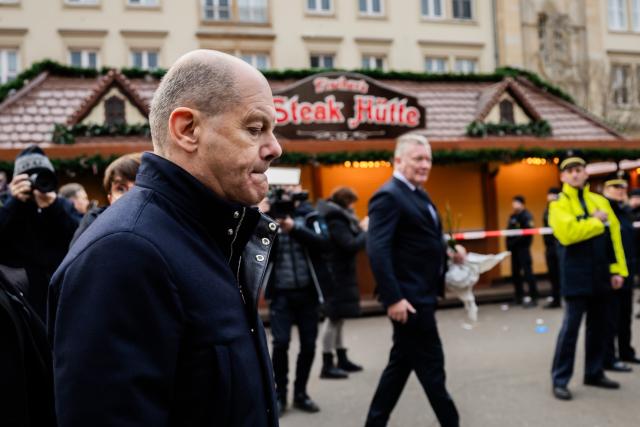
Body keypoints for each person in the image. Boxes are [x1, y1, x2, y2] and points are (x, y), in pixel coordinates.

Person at [48, 49, 283, 426]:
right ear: (187, 129)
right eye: (255, 129)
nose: (275, 148)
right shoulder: (124, 253)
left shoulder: (214, 233)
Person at [364, 133, 460, 427]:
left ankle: (374, 422)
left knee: (400, 365)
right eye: (418, 158)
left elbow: (422, 238)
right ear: (398, 160)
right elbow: (377, 250)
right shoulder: (388, 195)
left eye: (428, 159)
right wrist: (394, 298)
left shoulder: (418, 193)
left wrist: (450, 250)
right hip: (409, 301)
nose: (425, 164)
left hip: (423, 295)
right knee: (433, 369)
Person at [549, 154, 628, 401]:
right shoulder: (558, 205)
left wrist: (618, 270)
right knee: (570, 330)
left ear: (585, 174)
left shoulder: (599, 201)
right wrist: (594, 222)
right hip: (575, 276)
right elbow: (568, 233)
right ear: (562, 176)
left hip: (601, 275)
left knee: (599, 328)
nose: (574, 173)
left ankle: (594, 373)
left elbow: (614, 236)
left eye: (579, 169)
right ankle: (560, 379)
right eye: (569, 170)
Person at [264, 185, 332, 416]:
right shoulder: (267, 218)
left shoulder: (310, 216)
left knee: (309, 344)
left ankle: (301, 393)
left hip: (308, 292)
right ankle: (280, 395)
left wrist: (294, 229)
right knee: (280, 343)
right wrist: (266, 220)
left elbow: (324, 243)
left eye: (293, 189)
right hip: (281, 293)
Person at [0, 146, 79, 320]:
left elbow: (82, 235)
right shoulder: (7, 204)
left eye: (43, 176)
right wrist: (13, 202)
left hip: (61, 293)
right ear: (17, 180)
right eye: (30, 178)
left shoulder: (61, 205)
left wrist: (54, 207)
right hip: (21, 298)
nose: (37, 183)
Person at [316, 186, 368, 378]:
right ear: (346, 202)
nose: (354, 207)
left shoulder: (337, 216)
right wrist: (365, 231)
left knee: (339, 318)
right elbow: (349, 245)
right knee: (332, 318)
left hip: (339, 273)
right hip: (336, 274)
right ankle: (327, 363)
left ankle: (341, 358)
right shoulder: (336, 219)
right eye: (352, 202)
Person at [602, 173, 640, 368]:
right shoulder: (605, 212)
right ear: (606, 190)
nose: (619, 191)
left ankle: (626, 351)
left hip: (628, 270)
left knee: (625, 315)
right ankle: (610, 357)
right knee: (610, 318)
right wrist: (610, 271)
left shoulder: (626, 212)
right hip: (613, 273)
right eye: (615, 188)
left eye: (622, 188)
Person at [69, 152, 141, 247]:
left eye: (139, 186)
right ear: (110, 198)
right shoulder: (93, 223)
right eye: (121, 189)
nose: (130, 194)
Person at [506, 195, 538, 307]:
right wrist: (509, 245)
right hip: (514, 250)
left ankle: (533, 297)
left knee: (528, 273)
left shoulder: (526, 216)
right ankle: (518, 297)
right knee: (515, 274)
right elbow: (508, 232)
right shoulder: (513, 216)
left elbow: (528, 233)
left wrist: (515, 242)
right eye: (513, 202)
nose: (514, 204)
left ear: (522, 203)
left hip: (523, 249)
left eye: (516, 202)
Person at [543, 187, 562, 309]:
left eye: (552, 195)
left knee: (561, 274)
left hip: (560, 246)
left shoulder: (560, 209)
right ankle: (556, 299)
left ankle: (563, 298)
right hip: (550, 247)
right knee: (553, 275)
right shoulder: (547, 210)